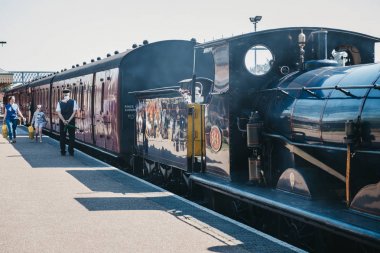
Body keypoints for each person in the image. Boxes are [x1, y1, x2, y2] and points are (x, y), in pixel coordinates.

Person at [56, 88, 78, 156]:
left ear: (63, 94)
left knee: (62, 136)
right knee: (72, 136)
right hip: (71, 122)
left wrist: (64, 121)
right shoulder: (73, 101)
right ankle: (71, 151)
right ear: (69, 94)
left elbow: (59, 113)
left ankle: (63, 151)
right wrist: (69, 120)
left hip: (63, 122)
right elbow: (74, 112)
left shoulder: (59, 102)